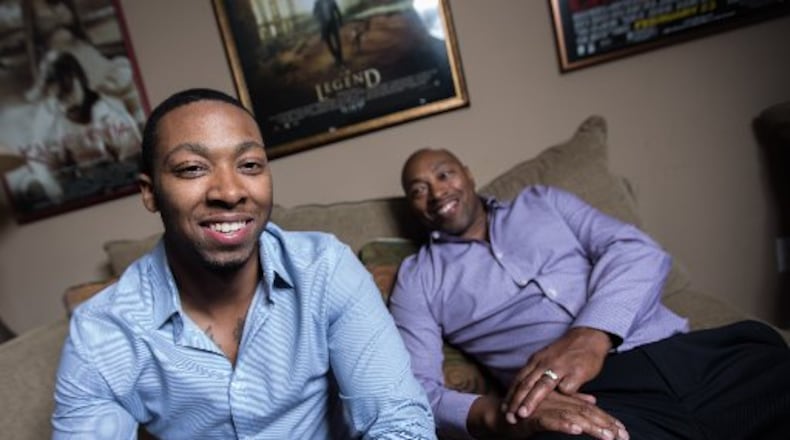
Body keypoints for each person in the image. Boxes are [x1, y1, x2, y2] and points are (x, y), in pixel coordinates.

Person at [52, 88, 436, 439]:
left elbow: (398, 421)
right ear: (150, 193)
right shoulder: (102, 332)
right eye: (192, 168)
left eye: (250, 165)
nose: (231, 192)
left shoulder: (326, 270)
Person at [390, 147, 790, 440]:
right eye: (418, 189)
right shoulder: (417, 279)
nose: (437, 191)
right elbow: (416, 390)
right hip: (588, 403)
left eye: (444, 174)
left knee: (769, 357)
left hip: (686, 357)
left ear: (468, 173)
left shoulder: (543, 202)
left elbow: (635, 249)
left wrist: (592, 335)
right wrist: (500, 415)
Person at [313, 0, 344, 66]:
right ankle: (336, 57)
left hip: (333, 24)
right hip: (324, 26)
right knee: (328, 42)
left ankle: (340, 58)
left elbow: (337, 11)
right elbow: (314, 13)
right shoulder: (317, 3)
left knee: (337, 40)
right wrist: (319, 20)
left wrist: (340, 21)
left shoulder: (331, 1)